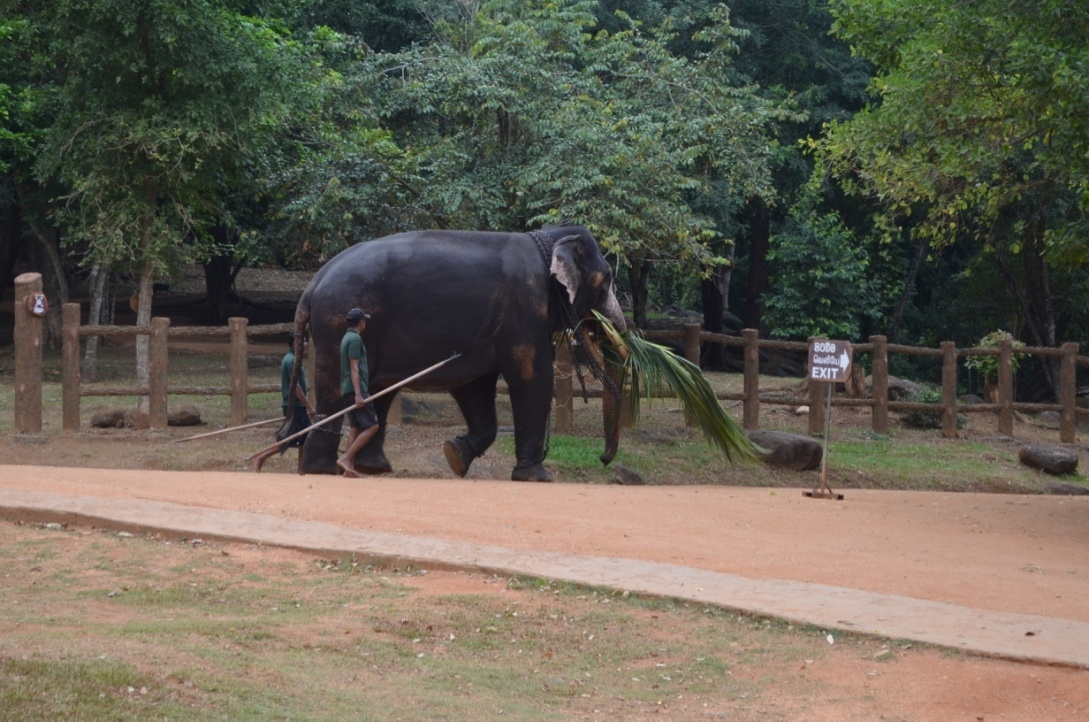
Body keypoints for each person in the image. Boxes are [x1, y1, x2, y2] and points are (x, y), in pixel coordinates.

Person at [252, 331, 315, 473]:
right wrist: (309, 406)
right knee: (289, 439)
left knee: (306, 435)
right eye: (303, 341)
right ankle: (260, 458)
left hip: (296, 405)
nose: (305, 344)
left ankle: (301, 468)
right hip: (294, 406)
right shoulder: (291, 361)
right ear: (294, 343)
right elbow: (296, 388)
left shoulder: (294, 359)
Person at [337, 307, 379, 477]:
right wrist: (358, 394)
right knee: (372, 425)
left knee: (355, 427)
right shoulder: (354, 339)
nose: (365, 323)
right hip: (356, 389)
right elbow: (354, 367)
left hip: (347, 388)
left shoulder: (346, 337)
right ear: (361, 322)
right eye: (365, 320)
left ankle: (349, 470)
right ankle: (346, 458)